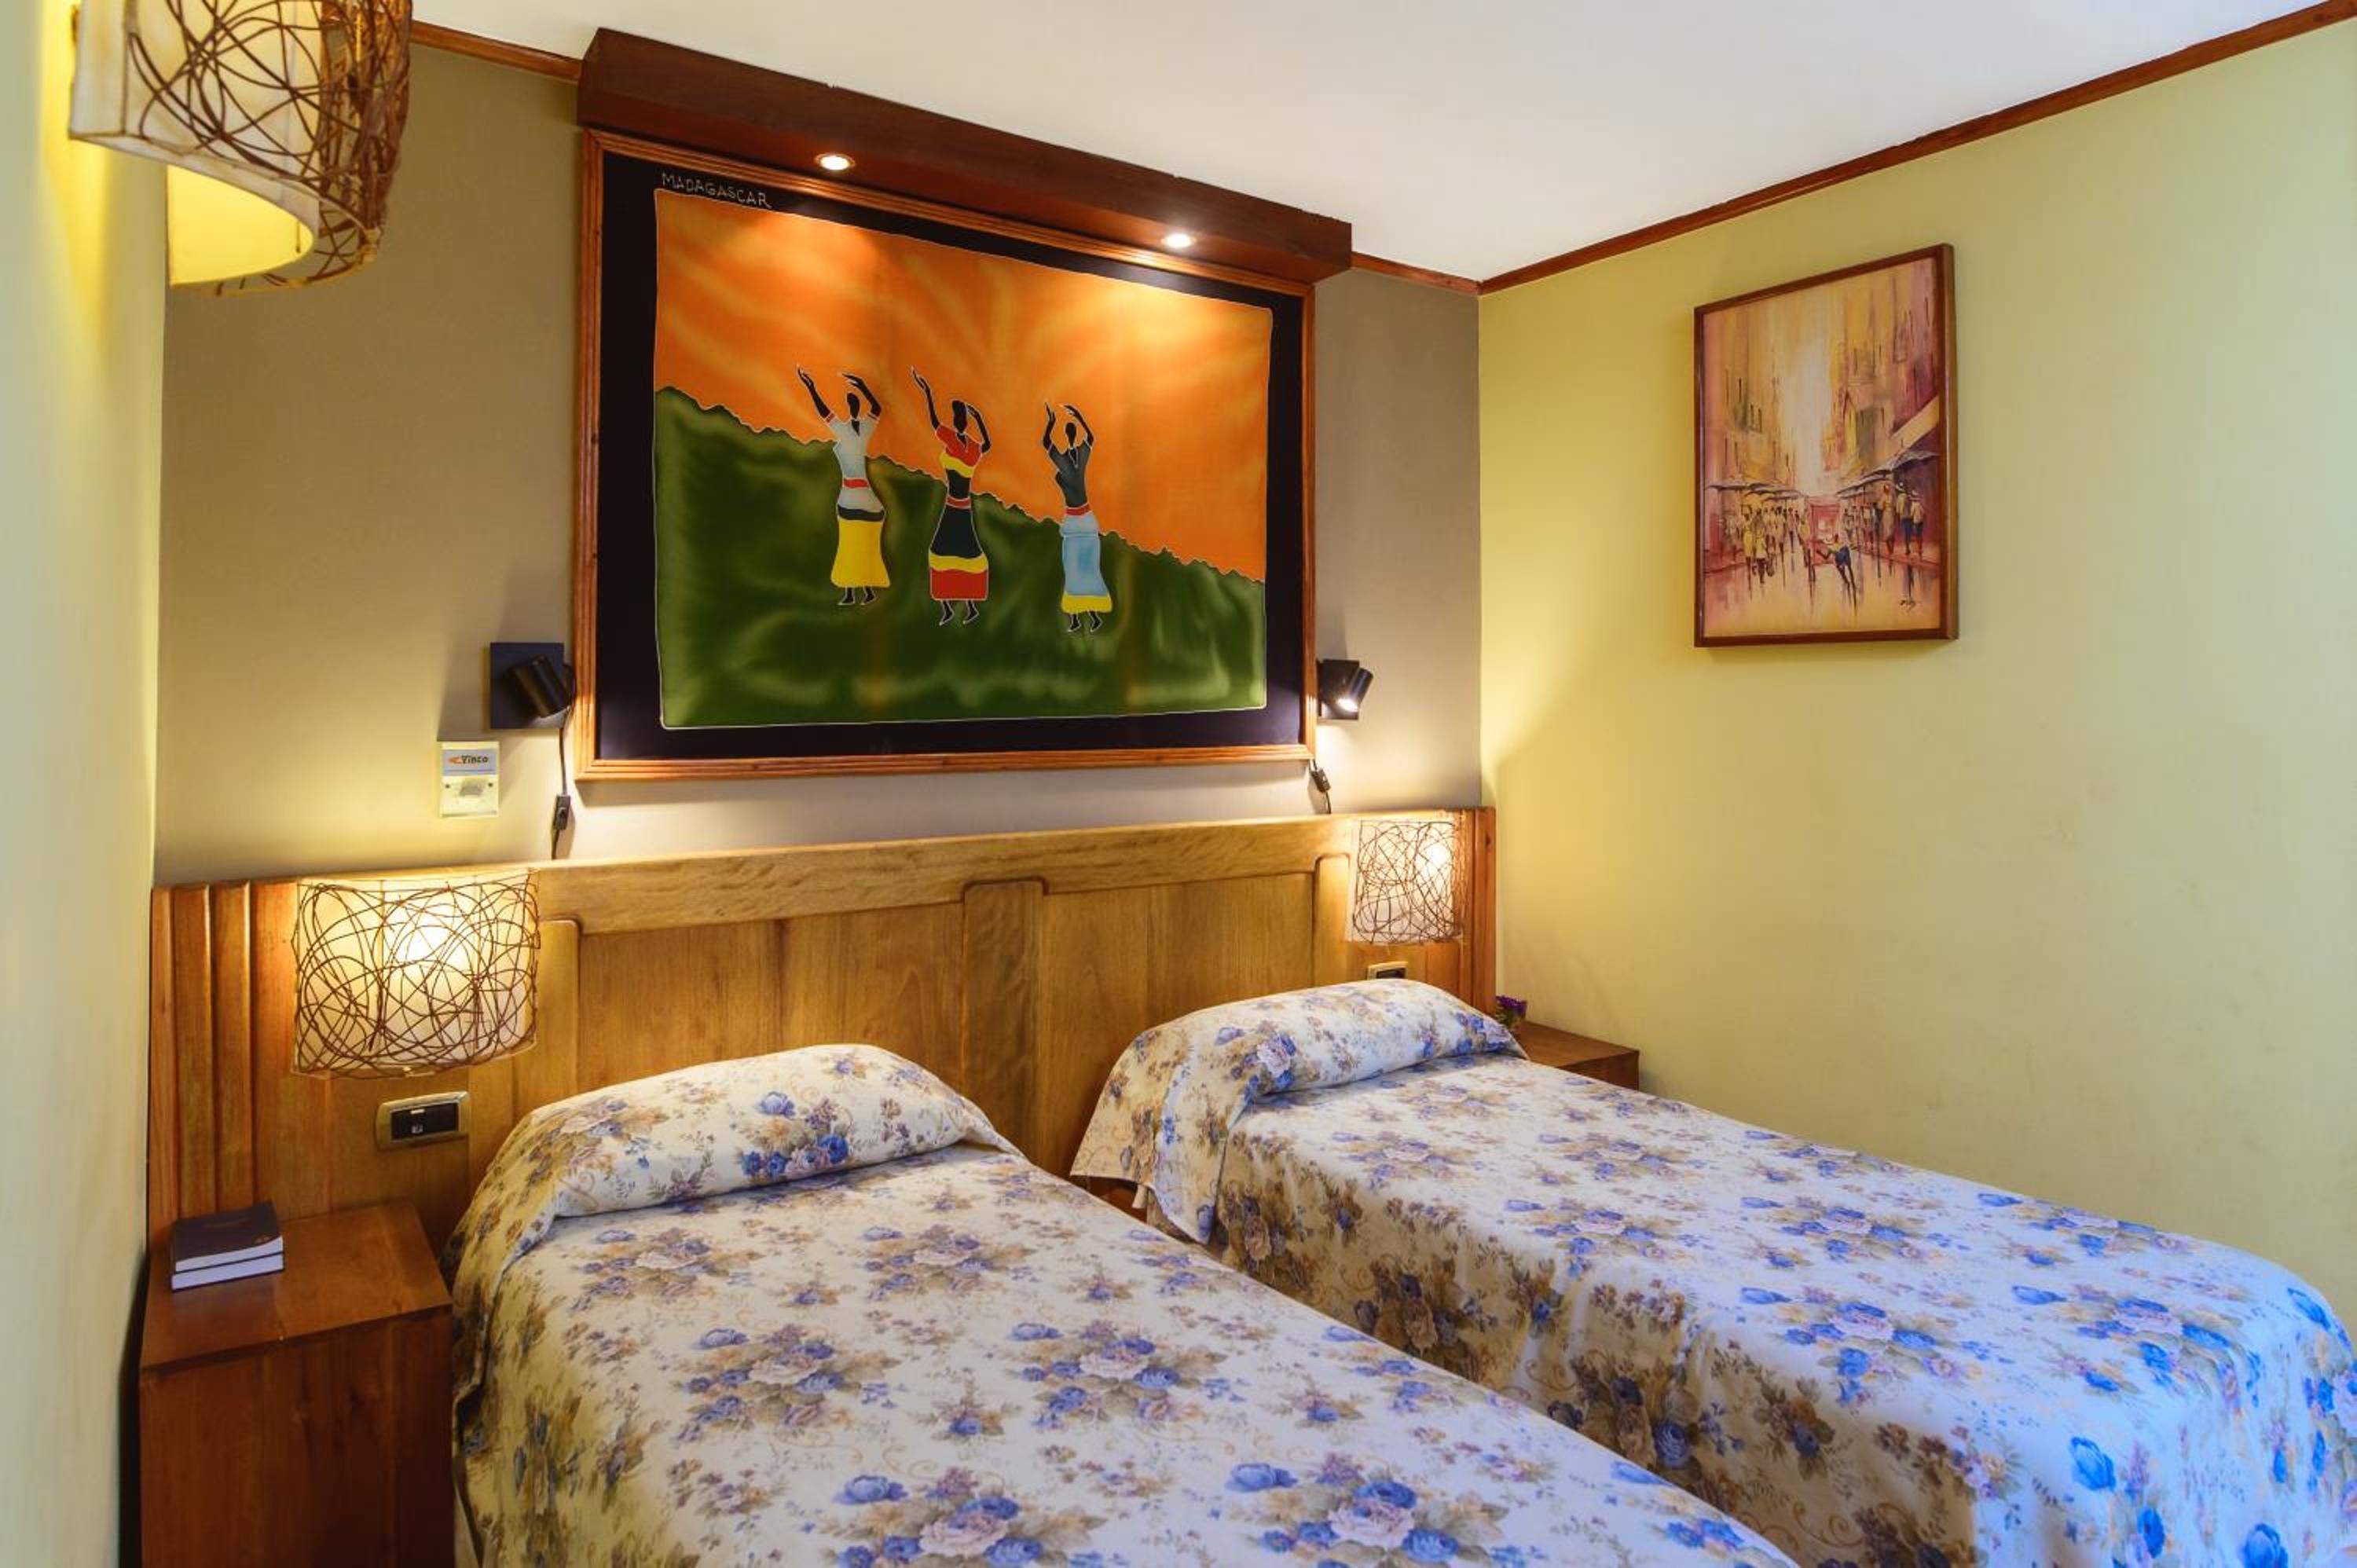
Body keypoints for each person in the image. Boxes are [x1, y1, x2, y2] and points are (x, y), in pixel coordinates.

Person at [798, 367, 888, 606]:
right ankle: (860, 591)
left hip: (852, 496)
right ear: (850, 407)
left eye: (854, 402)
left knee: (852, 544)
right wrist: (811, 388)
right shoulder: (853, 429)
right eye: (852, 402)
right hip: (861, 495)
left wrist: (862, 386)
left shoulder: (852, 430)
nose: (853, 405)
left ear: (852, 407)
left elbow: (875, 408)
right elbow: (826, 411)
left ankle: (856, 591)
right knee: (857, 543)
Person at [911, 368, 992, 625]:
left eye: (960, 418)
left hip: (956, 508)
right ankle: (960, 606)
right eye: (959, 417)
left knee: (946, 553)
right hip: (960, 508)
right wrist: (979, 420)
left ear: (961, 421)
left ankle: (958, 606)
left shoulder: (957, 444)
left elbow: (935, 422)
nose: (958, 421)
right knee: (961, 554)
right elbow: (987, 444)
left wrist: (927, 393)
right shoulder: (972, 448)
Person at [1043, 402, 1113, 632]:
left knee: (1086, 570)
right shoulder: (1069, 459)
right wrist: (1060, 421)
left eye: (1070, 431)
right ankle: (1076, 618)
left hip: (1082, 522)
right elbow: (1087, 438)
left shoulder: (1074, 459)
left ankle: (1090, 616)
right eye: (1071, 431)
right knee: (1075, 570)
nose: (1071, 435)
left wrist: (1068, 419)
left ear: (1068, 435)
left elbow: (1049, 442)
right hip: (1078, 522)